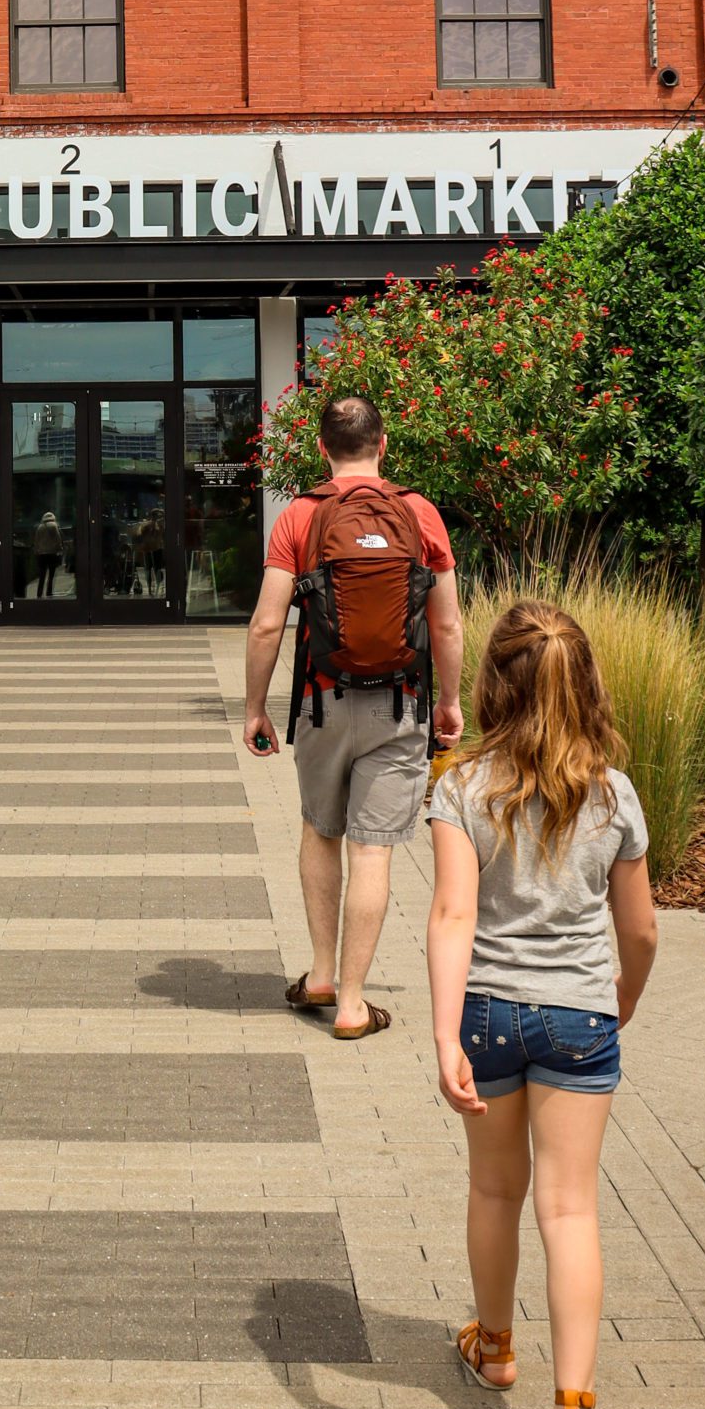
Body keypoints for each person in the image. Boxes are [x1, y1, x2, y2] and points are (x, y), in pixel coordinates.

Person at [427, 600, 659, 1409]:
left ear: (492, 684)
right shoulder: (612, 793)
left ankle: (492, 1347)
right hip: (579, 1019)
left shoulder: (459, 787)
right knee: (569, 1210)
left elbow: (451, 914)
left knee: (494, 1187)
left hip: (486, 1012)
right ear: (586, 681)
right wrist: (621, 998)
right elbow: (636, 933)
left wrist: (445, 1032)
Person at [243, 394, 463, 1040]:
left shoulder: (300, 518)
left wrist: (255, 708)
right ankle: (352, 1004)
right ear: (382, 444)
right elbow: (445, 622)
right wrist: (448, 702)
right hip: (400, 707)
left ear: (320, 448)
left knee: (320, 831)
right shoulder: (419, 514)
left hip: (320, 701)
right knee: (372, 851)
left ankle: (318, 973)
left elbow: (264, 625)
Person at [32, 509, 64, 597]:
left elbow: (36, 541)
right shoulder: (54, 526)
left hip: (41, 554)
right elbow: (58, 539)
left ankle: (39, 593)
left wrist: (36, 551)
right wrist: (60, 549)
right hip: (51, 554)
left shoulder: (40, 527)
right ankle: (49, 592)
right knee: (51, 575)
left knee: (42, 575)